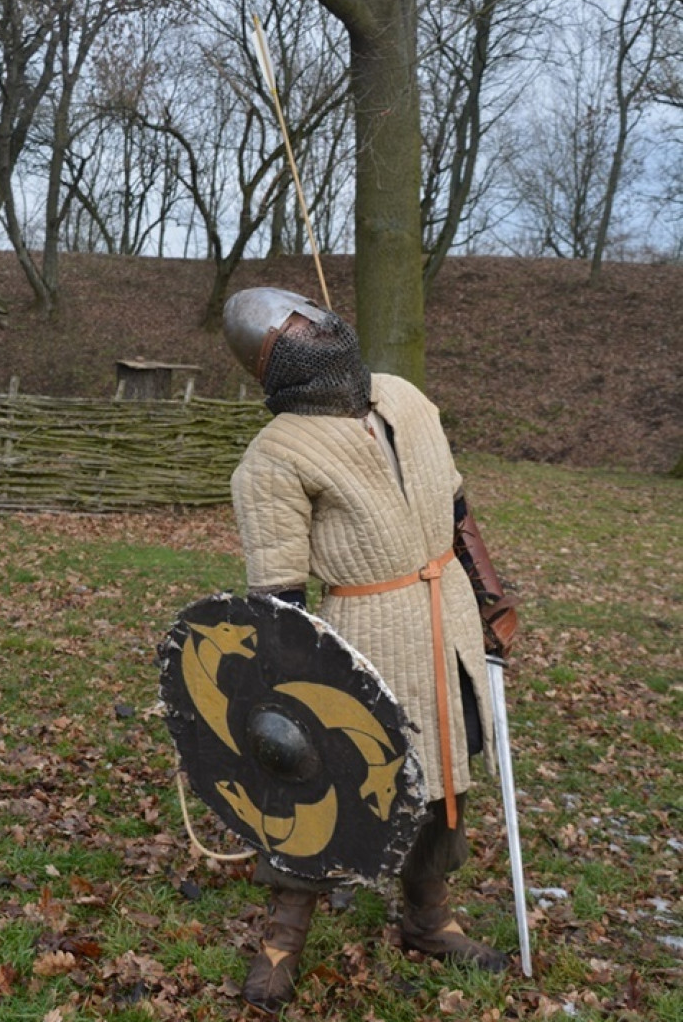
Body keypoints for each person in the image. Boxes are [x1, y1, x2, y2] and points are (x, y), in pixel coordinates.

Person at [223, 287, 519, 1014]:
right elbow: (278, 592)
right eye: (291, 328)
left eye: (312, 314)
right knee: (333, 783)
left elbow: (454, 506)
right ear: (272, 363)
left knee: (449, 771)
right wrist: (290, 688)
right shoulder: (273, 458)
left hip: (444, 613)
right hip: (364, 632)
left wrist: (488, 597)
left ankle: (427, 918)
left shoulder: (406, 398)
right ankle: (283, 939)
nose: (315, 325)